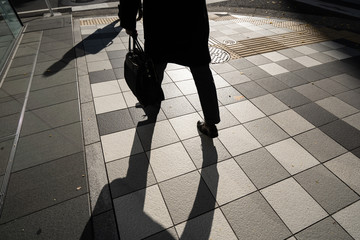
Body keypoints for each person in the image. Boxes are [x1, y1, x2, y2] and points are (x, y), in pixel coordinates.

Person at [119, 0, 220, 138]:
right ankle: (210, 122)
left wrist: (128, 19)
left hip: (160, 17)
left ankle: (151, 101)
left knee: (155, 65)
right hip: (192, 16)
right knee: (200, 68)